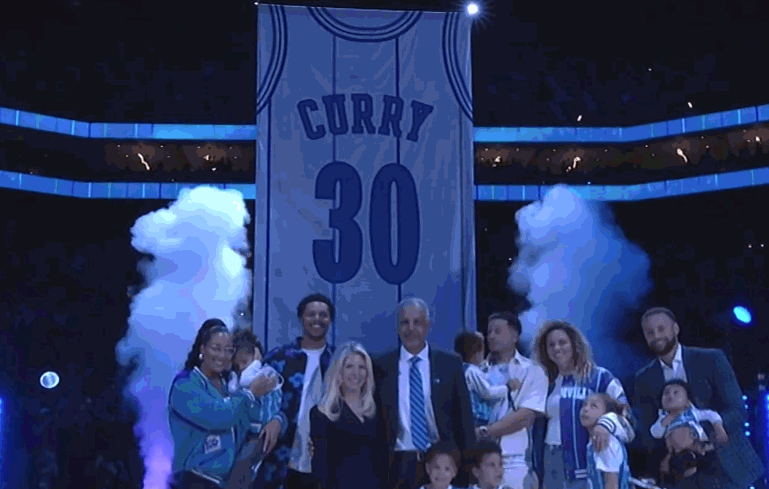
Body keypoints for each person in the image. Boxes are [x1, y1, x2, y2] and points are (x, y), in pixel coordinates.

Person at [633, 307, 764, 489]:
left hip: (727, 467)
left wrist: (696, 435)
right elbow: (648, 432)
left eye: (661, 329)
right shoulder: (643, 378)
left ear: (676, 328)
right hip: (679, 475)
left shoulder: (712, 359)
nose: (656, 336)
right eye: (650, 332)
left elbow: (737, 410)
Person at [372, 297, 476, 489]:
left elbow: (464, 420)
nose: (410, 328)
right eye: (405, 322)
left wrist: (468, 471)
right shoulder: (381, 366)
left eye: (417, 322)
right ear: (397, 327)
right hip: (397, 465)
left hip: (441, 463)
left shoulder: (450, 364)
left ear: (427, 326)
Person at [168, 319, 281, 489]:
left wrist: (276, 419)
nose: (222, 355)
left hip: (228, 482)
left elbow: (248, 418)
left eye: (228, 350)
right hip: (195, 478)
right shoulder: (185, 385)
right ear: (202, 349)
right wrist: (250, 393)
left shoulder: (229, 384)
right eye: (216, 348)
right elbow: (219, 417)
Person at [530, 320, 631, 489]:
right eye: (551, 345)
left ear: (574, 345)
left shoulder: (600, 377)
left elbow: (628, 417)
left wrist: (606, 424)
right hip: (550, 461)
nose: (556, 348)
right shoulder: (545, 382)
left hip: (585, 466)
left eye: (562, 342)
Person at [253, 293, 336, 489]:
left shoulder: (338, 360)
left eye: (323, 315)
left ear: (330, 320)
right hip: (281, 459)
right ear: (301, 318)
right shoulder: (279, 357)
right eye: (311, 314)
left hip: (327, 461)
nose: (317, 319)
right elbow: (255, 403)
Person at [475, 312, 547, 489]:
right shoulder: (476, 372)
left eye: (497, 331)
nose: (491, 336)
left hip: (515, 462)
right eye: (489, 332)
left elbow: (526, 416)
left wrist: (485, 432)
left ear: (515, 336)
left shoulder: (533, 371)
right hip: (479, 461)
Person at [310, 342, 387, 489]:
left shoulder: (376, 411)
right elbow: (320, 470)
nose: (356, 373)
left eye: (362, 367)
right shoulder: (322, 414)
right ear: (339, 371)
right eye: (349, 366)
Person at [227, 329, 284, 489]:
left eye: (245, 362)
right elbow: (233, 391)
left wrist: (256, 363)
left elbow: (245, 381)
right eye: (237, 365)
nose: (241, 368)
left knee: (242, 465)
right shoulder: (238, 375)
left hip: (262, 433)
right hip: (246, 432)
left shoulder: (267, 373)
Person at [454, 331, 520, 428]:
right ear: (475, 354)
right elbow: (488, 392)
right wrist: (508, 388)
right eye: (482, 351)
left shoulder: (462, 368)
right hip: (478, 420)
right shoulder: (472, 371)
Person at [579, 393, 633, 489]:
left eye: (593, 406)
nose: (585, 409)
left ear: (606, 414)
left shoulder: (607, 443)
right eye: (584, 405)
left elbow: (611, 484)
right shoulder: (593, 440)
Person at [650, 380, 728, 444]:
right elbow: (655, 433)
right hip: (676, 450)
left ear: (687, 401)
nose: (670, 395)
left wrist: (718, 426)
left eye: (676, 393)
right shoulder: (663, 416)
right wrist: (665, 422)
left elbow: (711, 414)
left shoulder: (692, 413)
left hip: (698, 445)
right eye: (666, 393)